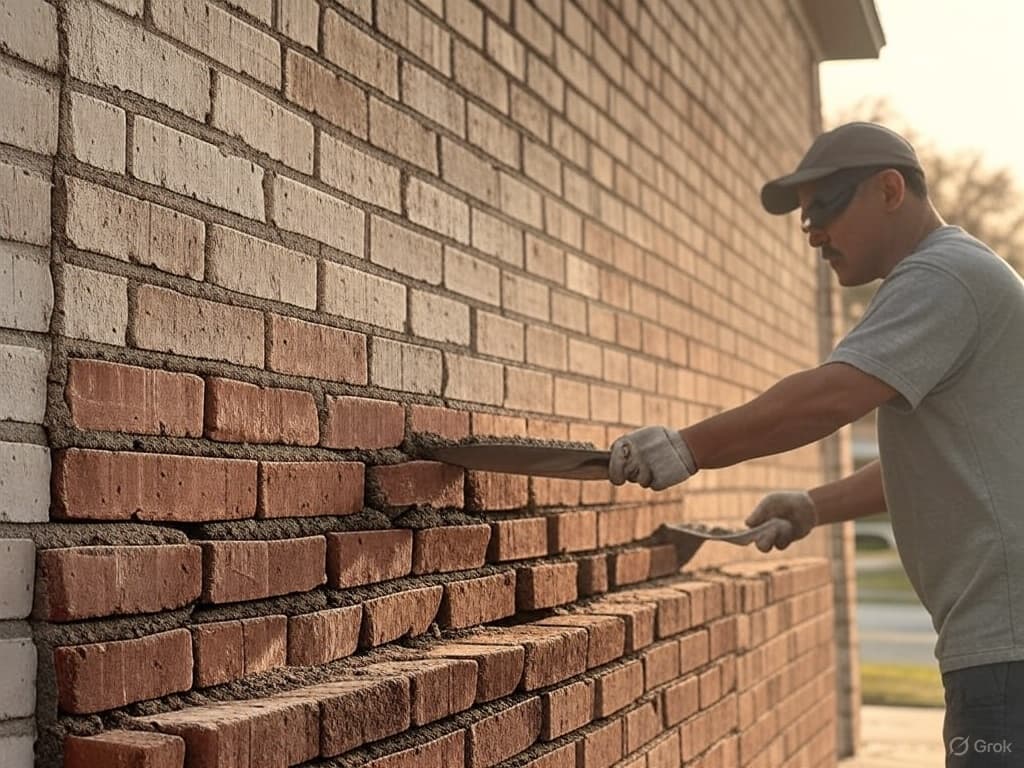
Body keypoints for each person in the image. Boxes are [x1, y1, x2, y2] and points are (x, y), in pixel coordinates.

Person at [608, 122, 1024, 766]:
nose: (814, 233)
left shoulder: (942, 275)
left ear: (891, 189)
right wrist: (812, 505)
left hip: (1008, 648)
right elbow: (942, 469)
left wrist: (686, 446)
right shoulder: (965, 277)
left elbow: (828, 398)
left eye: (826, 208)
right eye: (805, 219)